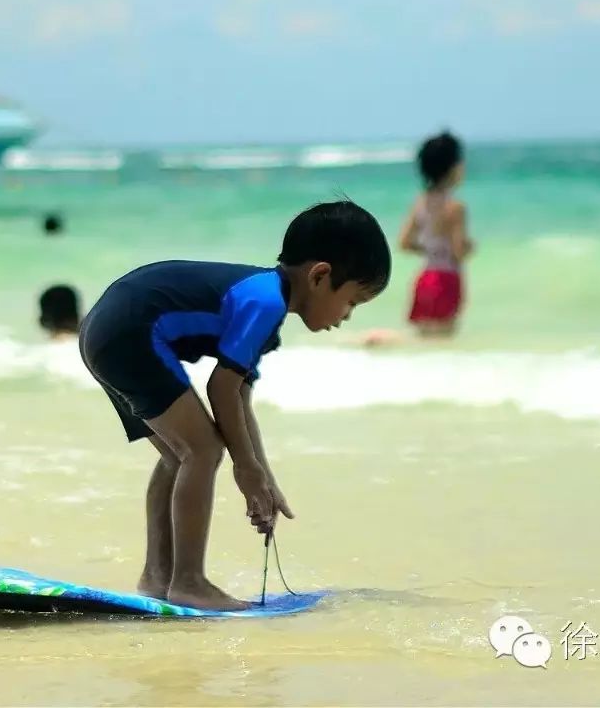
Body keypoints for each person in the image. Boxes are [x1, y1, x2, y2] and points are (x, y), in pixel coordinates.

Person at [79, 200, 391, 610]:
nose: (348, 315)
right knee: (202, 449)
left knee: (180, 455)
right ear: (320, 276)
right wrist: (245, 468)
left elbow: (239, 399)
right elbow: (221, 388)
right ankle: (188, 581)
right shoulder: (264, 303)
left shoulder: (263, 303)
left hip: (104, 331)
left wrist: (262, 476)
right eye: (353, 301)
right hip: (128, 333)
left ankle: (158, 578)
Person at [398, 130, 474, 337]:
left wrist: (431, 250)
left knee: (424, 341)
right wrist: (469, 247)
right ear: (452, 168)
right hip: (447, 279)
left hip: (425, 278)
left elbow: (404, 243)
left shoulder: (420, 202)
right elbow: (458, 252)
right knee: (443, 341)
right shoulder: (455, 208)